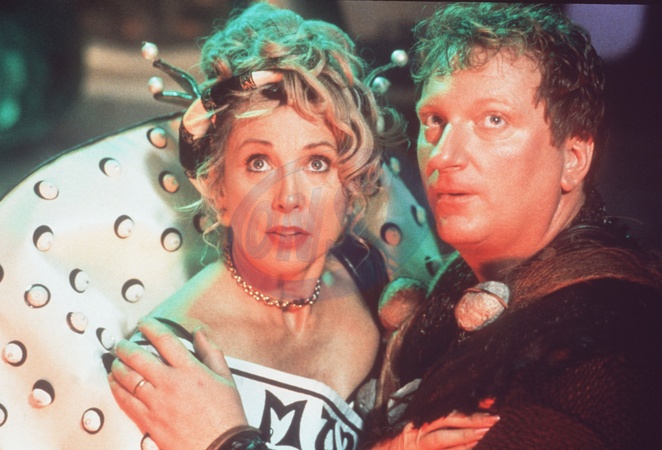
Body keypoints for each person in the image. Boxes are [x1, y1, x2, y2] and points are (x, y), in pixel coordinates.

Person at [107, 4, 494, 450]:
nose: (289, 197)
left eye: (317, 163)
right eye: (258, 163)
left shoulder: (371, 278)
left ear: (350, 186)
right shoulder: (168, 364)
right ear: (218, 189)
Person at [366, 3, 662, 449]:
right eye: (435, 121)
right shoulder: (457, 287)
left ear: (573, 158)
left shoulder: (602, 348)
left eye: (494, 120)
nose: (444, 155)